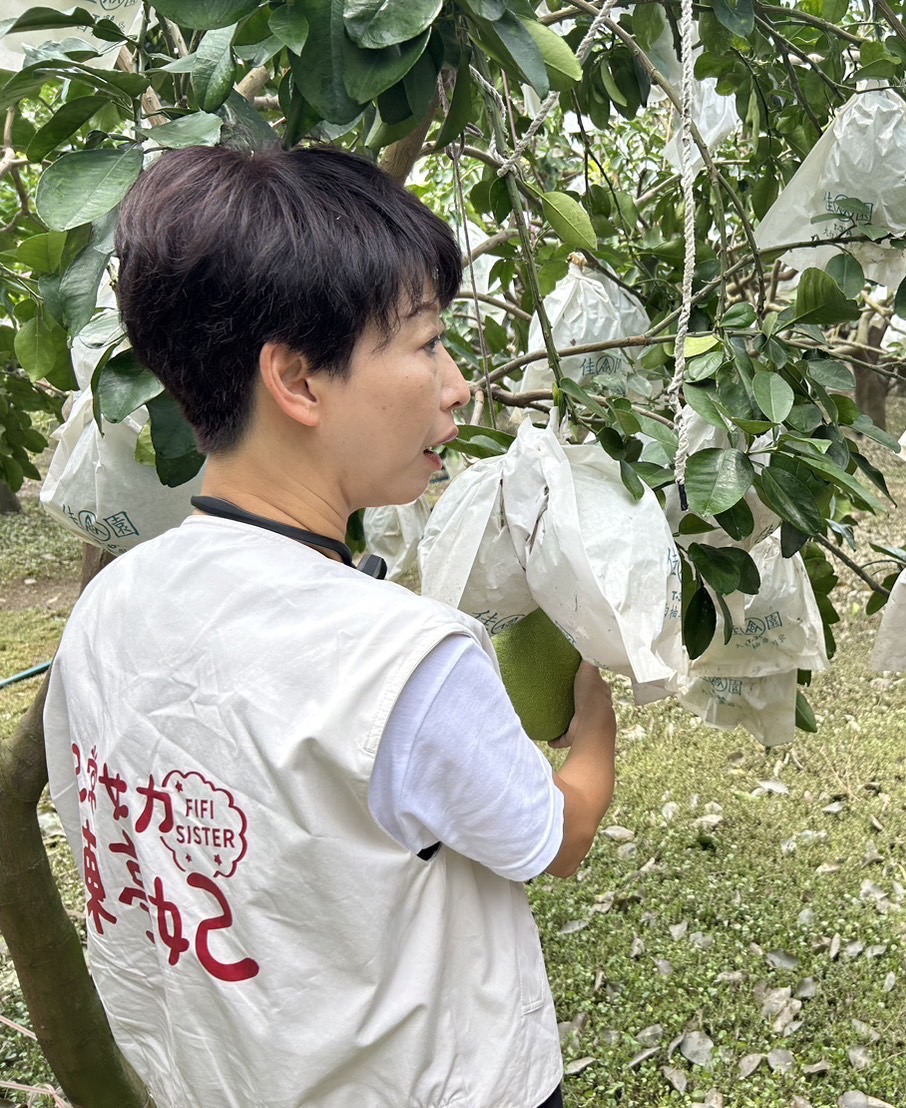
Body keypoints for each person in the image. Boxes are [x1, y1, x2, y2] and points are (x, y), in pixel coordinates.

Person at [42, 145, 618, 1108]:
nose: (458, 385)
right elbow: (555, 836)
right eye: (428, 342)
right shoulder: (404, 661)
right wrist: (594, 717)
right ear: (298, 381)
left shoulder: (106, 611)